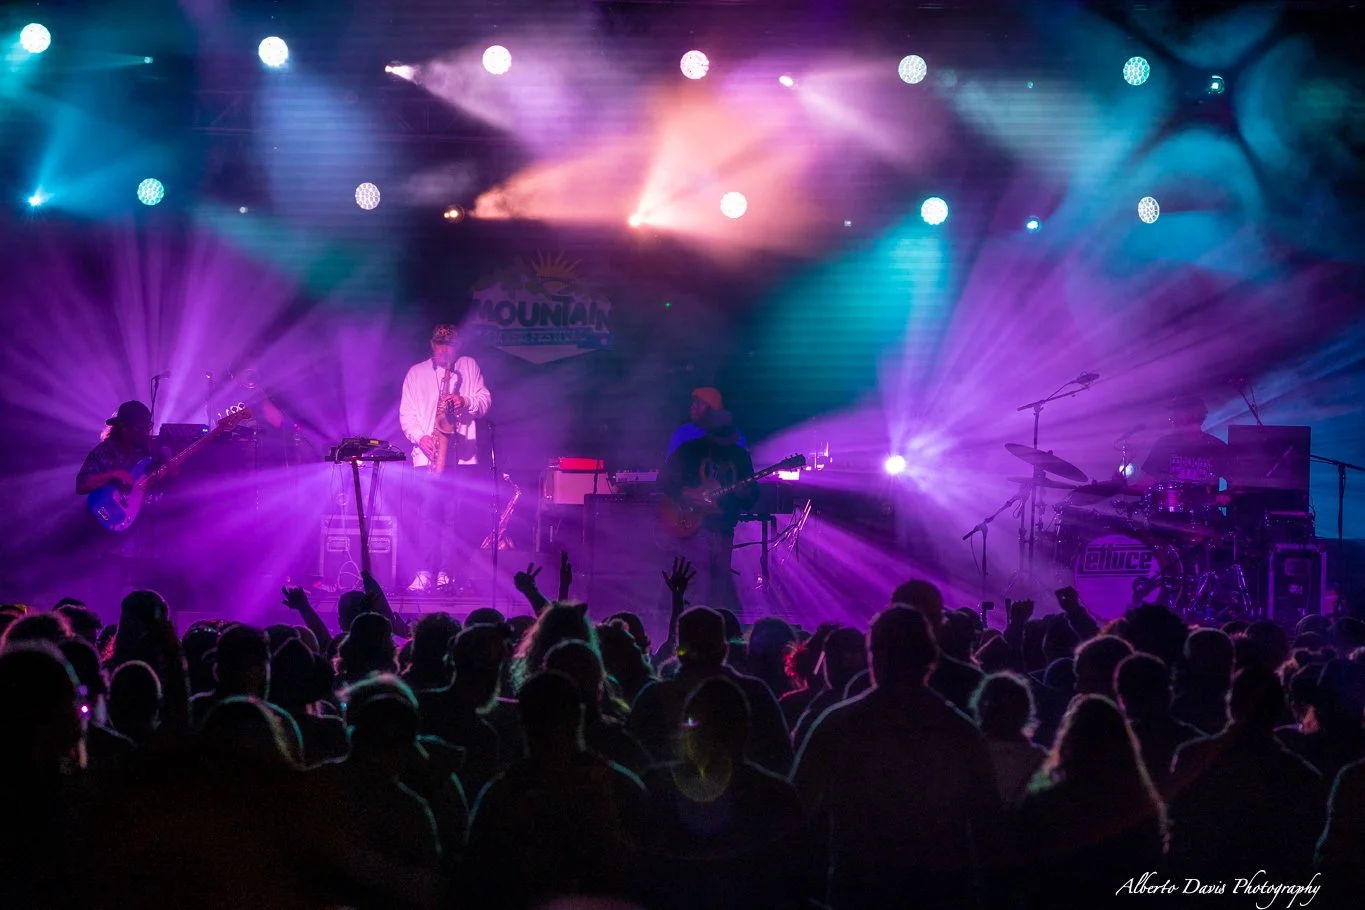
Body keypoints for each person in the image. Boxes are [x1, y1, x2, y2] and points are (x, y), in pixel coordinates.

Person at [399, 323, 492, 593]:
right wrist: (421, 438)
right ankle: (426, 571)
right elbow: (407, 415)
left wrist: (464, 401)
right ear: (432, 345)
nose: (445, 350)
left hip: (461, 458)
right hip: (428, 457)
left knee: (456, 517)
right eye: (440, 344)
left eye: (450, 345)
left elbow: (485, 400)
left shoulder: (468, 366)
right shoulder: (416, 373)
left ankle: (448, 573)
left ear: (458, 347)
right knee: (427, 516)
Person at [659, 409, 756, 613]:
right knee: (698, 583)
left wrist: (743, 494)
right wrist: (685, 495)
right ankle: (690, 626)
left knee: (718, 586)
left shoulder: (740, 457)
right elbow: (663, 480)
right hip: (693, 528)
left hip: (724, 528)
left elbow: (752, 496)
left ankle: (711, 628)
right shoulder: (689, 450)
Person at [1133, 395, 1229, 489]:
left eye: (1177, 412)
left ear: (1192, 414)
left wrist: (1225, 496)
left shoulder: (1216, 446)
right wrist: (1122, 487)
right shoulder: (1164, 443)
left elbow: (1233, 482)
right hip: (1169, 503)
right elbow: (1148, 481)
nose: (1172, 417)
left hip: (1205, 504)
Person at [665, 387, 746, 460]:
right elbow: (671, 469)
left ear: (715, 409)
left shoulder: (734, 436)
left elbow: (742, 467)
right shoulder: (681, 433)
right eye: (694, 402)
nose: (694, 406)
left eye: (701, 403)